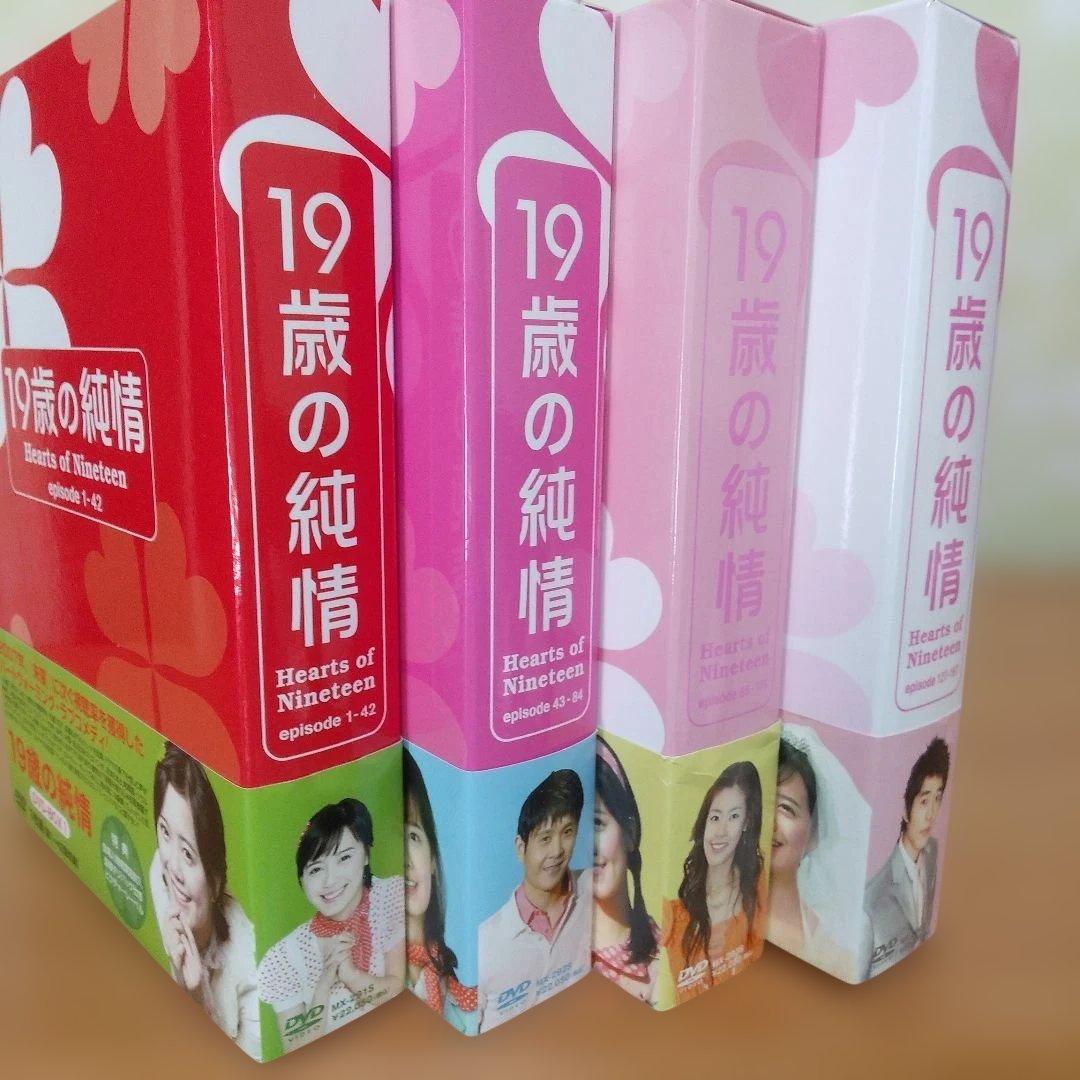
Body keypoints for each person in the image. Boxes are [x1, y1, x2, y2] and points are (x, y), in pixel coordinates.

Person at [258, 799, 404, 1051]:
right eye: (316, 869)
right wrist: (324, 985)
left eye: (344, 857)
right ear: (302, 880)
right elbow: (295, 1049)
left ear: (366, 855)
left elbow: (398, 992)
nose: (330, 881)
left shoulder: (389, 898)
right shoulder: (285, 958)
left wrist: (351, 976)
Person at [149, 743, 260, 1059]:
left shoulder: (248, 961)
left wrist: (196, 993)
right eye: (164, 831)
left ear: (215, 883)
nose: (173, 866)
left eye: (188, 853)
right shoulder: (160, 873)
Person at [477, 769, 591, 1032]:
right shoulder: (487, 941)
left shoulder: (592, 890)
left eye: (567, 832)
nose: (557, 851)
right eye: (545, 838)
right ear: (521, 848)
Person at [767, 729, 867, 982]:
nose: (769, 822)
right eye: (762, 802)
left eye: (786, 808)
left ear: (814, 834)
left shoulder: (837, 953)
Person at [663, 761, 767, 1004]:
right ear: (704, 823)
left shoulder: (758, 888)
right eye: (715, 817)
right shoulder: (674, 915)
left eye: (734, 817)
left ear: (746, 823)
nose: (720, 831)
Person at [403, 749, 478, 1033]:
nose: (405, 859)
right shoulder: (364, 969)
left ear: (433, 857)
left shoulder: (459, 983)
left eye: (413, 835)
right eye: (392, 837)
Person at [864, 737, 950, 978]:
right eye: (924, 801)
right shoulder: (875, 895)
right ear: (905, 810)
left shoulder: (932, 851)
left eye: (937, 799)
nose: (932, 814)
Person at [592, 736, 660, 1004]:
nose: (588, 848)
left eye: (596, 823)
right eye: (573, 829)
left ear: (629, 832)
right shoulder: (550, 955)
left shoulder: (667, 954)